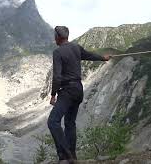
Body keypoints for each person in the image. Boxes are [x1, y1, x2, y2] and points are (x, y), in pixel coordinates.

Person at [47, 26, 111, 163]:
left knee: (53, 121)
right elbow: (89, 55)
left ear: (58, 37)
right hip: (78, 90)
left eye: (54, 36)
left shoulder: (57, 52)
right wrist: (103, 58)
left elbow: (57, 77)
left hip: (67, 91)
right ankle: (73, 157)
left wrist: (53, 95)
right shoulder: (76, 47)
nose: (54, 38)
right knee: (70, 123)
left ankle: (65, 155)